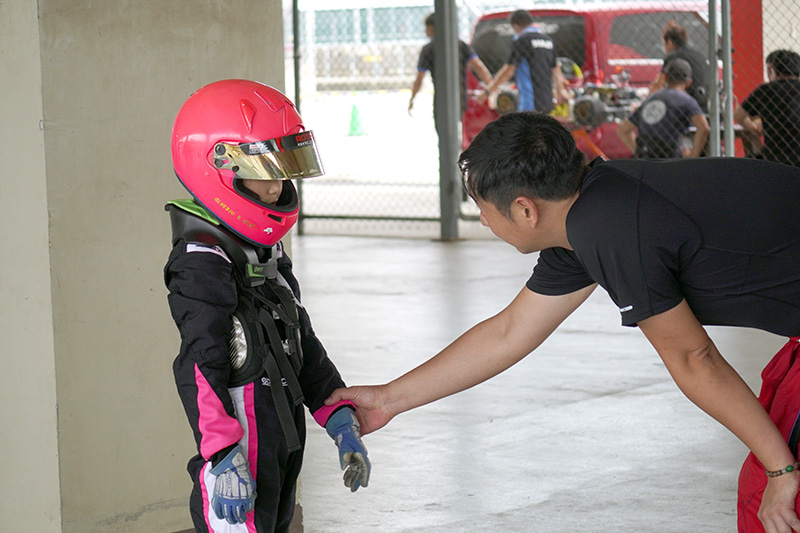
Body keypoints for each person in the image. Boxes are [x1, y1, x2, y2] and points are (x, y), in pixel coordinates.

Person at [325, 112, 800, 533]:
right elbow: (510, 331)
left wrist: (782, 471)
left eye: (484, 210)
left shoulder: (613, 227)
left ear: (525, 209)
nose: (486, 223)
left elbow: (693, 358)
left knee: (774, 494)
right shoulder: (590, 214)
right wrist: (388, 400)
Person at [164, 79, 371, 532]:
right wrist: (221, 452)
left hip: (282, 443)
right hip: (235, 467)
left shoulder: (266, 254)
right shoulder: (201, 262)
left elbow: (299, 340)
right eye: (267, 169)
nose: (279, 186)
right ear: (218, 167)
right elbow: (199, 363)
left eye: (285, 169)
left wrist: (339, 418)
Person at [408, 13, 493, 133]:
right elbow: (478, 66)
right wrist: (491, 86)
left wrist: (412, 98)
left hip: (441, 98)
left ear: (431, 28)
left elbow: (420, 77)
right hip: (460, 95)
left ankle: (445, 150)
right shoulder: (460, 44)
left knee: (443, 131)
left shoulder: (428, 49)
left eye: (426, 28)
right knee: (460, 131)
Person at [617, 58, 709, 158]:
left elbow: (623, 130)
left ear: (665, 77)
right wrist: (693, 156)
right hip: (671, 158)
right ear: (688, 82)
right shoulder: (687, 101)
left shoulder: (652, 98)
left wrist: (639, 153)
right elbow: (703, 127)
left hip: (646, 157)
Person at [481, 9, 569, 113]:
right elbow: (555, 69)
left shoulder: (521, 40)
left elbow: (509, 70)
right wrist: (560, 91)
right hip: (546, 101)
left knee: (528, 127)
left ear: (516, 26)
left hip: (529, 101)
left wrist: (488, 90)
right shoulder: (547, 40)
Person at [734, 49, 800, 167]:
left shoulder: (766, 90)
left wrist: (754, 128)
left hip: (775, 160)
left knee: (754, 142)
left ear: (774, 70)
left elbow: (738, 116)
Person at [649, 20, 709, 113]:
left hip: (686, 107)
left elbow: (658, 85)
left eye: (664, 44)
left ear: (669, 42)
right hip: (705, 103)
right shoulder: (699, 55)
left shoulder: (672, 57)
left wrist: (644, 103)